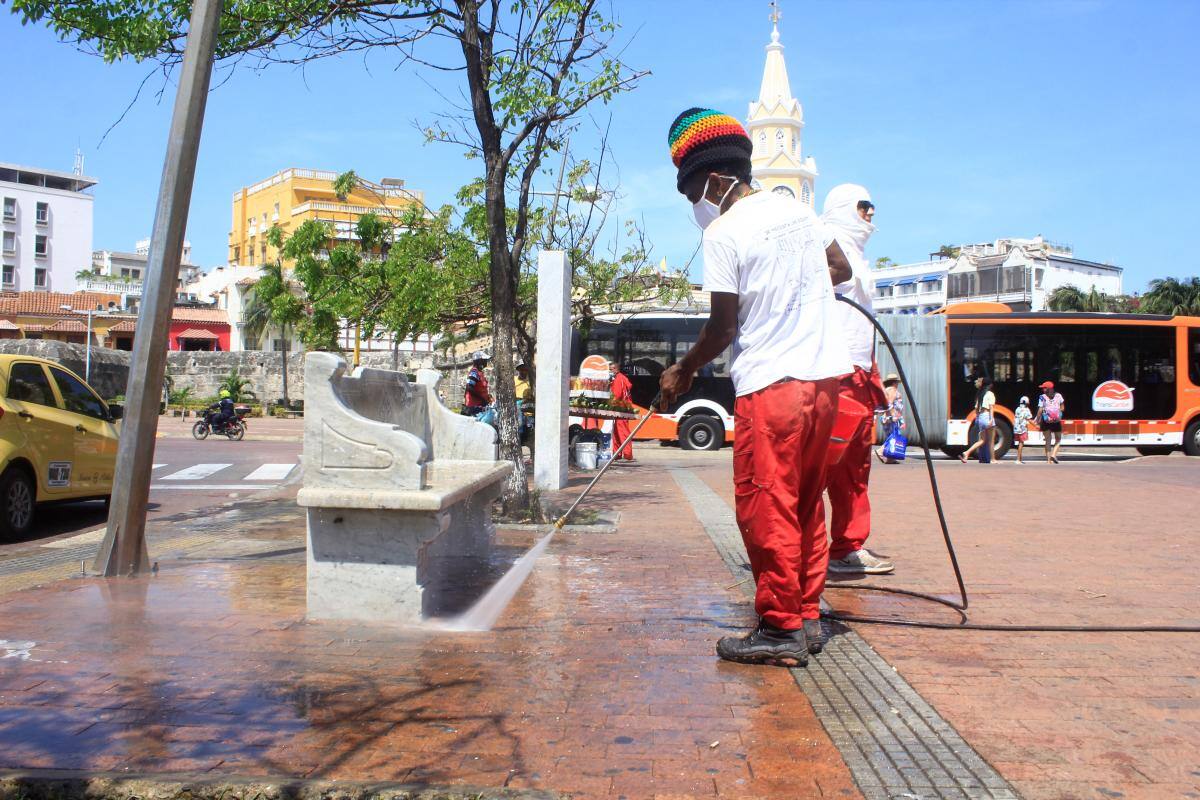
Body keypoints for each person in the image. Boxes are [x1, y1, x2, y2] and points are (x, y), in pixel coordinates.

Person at [659, 107, 853, 666]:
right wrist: (792, 284)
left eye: (691, 191)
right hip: (825, 383)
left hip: (773, 388)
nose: (693, 204)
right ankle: (807, 615)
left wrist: (683, 369)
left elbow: (722, 328)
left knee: (765, 505)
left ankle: (780, 627)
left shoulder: (724, 232)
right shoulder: (797, 211)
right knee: (805, 503)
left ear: (715, 179)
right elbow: (839, 268)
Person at [821, 184, 894, 575]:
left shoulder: (860, 256)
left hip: (860, 373)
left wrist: (872, 371)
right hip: (833, 372)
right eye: (864, 206)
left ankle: (847, 546)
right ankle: (799, 547)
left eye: (872, 206)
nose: (871, 213)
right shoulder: (824, 246)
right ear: (844, 208)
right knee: (820, 465)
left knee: (854, 468)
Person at [959, 377, 997, 463]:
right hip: (987, 416)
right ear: (990, 385)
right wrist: (991, 419)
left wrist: (977, 418)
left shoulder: (980, 394)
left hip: (980, 417)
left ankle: (966, 452)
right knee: (991, 440)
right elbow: (991, 407)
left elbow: (976, 408)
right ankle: (993, 459)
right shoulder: (990, 394)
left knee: (982, 440)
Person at [874, 373, 906, 466]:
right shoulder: (892, 390)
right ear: (894, 382)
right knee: (894, 436)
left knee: (892, 436)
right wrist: (893, 415)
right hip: (891, 417)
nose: (897, 384)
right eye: (897, 382)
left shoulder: (887, 390)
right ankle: (881, 451)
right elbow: (889, 403)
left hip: (888, 417)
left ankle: (890, 458)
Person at [610, 362, 635, 462]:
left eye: (611, 369)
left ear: (616, 369)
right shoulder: (620, 378)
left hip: (621, 408)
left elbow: (617, 395)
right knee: (617, 431)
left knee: (622, 431)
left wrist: (610, 403)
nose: (610, 371)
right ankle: (617, 453)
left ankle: (627, 454)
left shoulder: (618, 379)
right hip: (622, 408)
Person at [1037, 380, 1065, 463]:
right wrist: (1056, 414)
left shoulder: (1042, 397)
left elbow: (1040, 410)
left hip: (1046, 421)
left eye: (1044, 388)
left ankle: (1048, 460)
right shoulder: (1058, 396)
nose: (1043, 389)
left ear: (1049, 389)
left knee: (1048, 440)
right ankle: (1053, 455)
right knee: (1058, 439)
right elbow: (1062, 408)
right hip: (1056, 421)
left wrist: (1038, 420)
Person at [462, 351, 492, 416]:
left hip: (479, 406)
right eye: (484, 360)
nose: (486, 362)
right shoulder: (474, 372)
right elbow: (469, 387)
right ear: (479, 361)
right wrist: (482, 399)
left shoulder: (480, 372)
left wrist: (487, 396)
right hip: (474, 407)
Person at [1013, 395, 1034, 464]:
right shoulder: (1026, 410)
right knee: (1021, 443)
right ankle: (1018, 459)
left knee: (1019, 443)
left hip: (1016, 429)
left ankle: (1020, 459)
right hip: (1022, 429)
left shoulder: (1017, 409)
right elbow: (1029, 419)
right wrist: (1036, 425)